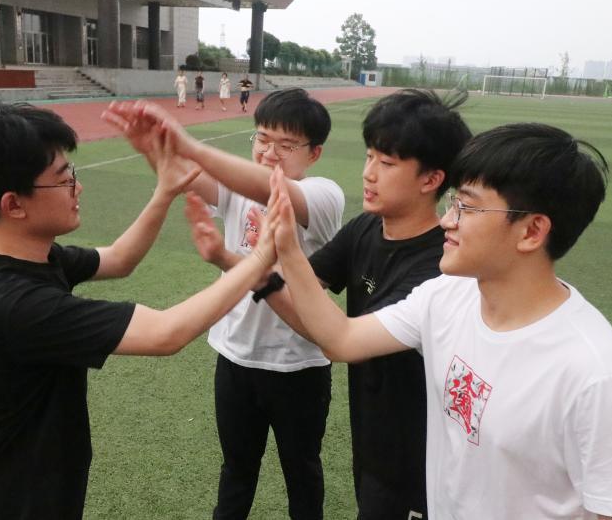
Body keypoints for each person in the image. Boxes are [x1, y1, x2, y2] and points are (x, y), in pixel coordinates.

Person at [268, 123, 612, 519]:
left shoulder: (596, 376)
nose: (447, 221)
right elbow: (342, 339)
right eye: (453, 203)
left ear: (532, 231)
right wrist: (287, 249)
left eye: (468, 207)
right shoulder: (447, 295)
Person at [0, 98, 282, 520]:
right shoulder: (13, 304)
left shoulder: (28, 258)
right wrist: (259, 258)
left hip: (41, 491)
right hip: (12, 504)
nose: (78, 187)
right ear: (14, 204)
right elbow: (165, 333)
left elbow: (119, 259)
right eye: (63, 179)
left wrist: (166, 189)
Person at [186, 89, 471, 519]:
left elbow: (341, 339)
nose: (369, 173)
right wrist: (236, 261)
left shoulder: (438, 269)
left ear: (431, 180)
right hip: (373, 443)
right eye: (369, 157)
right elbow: (304, 302)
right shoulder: (366, 229)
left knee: (304, 473)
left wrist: (279, 249)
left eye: (386, 163)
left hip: (421, 459)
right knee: (242, 468)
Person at [104, 88, 344, 520]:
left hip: (298, 366)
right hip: (235, 358)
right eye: (262, 138)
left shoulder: (324, 196)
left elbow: (273, 189)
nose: (269, 152)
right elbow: (180, 177)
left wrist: (189, 145)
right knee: (236, 470)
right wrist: (154, 148)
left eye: (286, 145)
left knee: (302, 472)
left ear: (314, 153)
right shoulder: (237, 188)